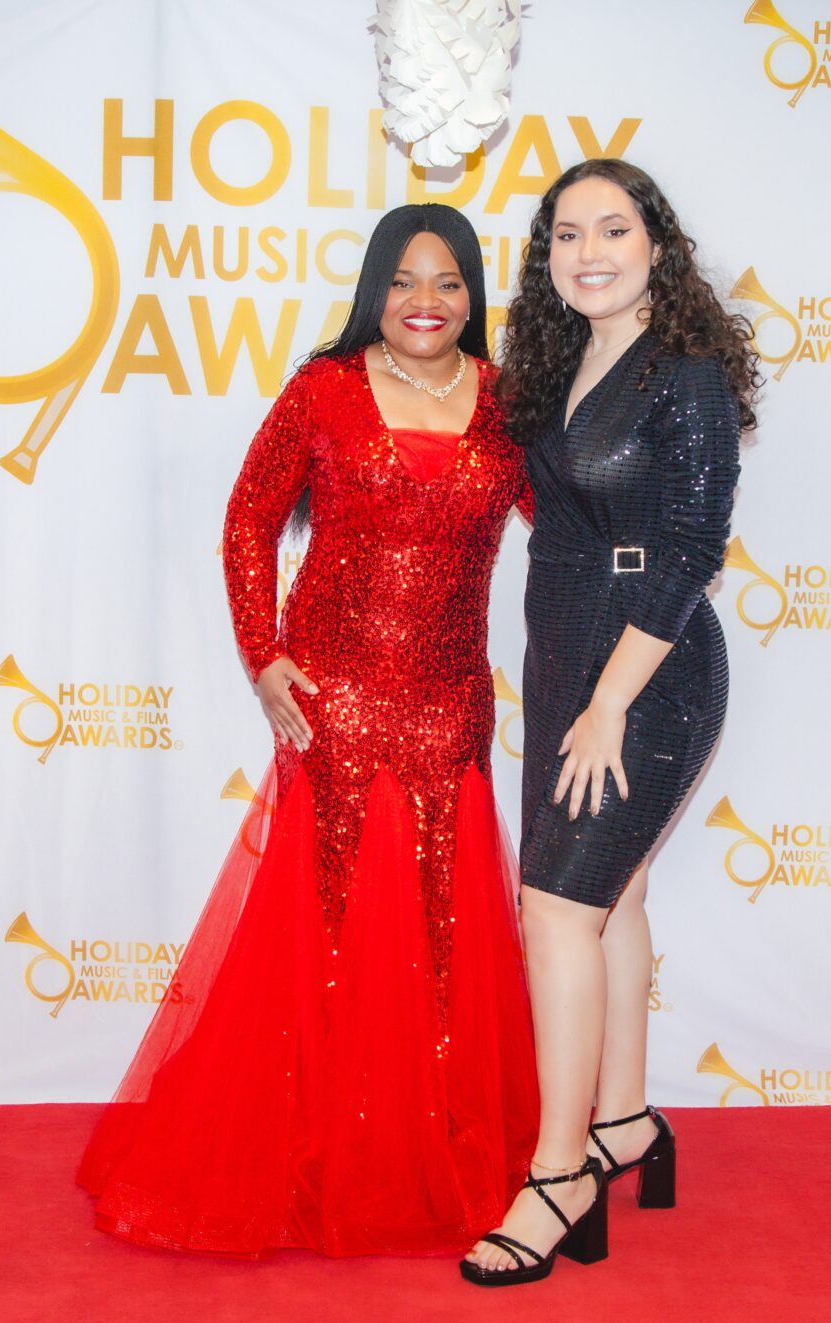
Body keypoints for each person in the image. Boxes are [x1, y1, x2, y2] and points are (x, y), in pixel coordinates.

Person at [77, 204, 538, 1257]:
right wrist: (262, 652)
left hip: (448, 704)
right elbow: (249, 515)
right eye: (406, 280)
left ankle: (430, 1153)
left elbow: (562, 535)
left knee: (438, 938)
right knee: (324, 935)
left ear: (475, 295)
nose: (427, 301)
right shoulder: (323, 391)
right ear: (377, 287)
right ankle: (311, 1148)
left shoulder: (511, 408)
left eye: (450, 282)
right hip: (331, 700)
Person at [461, 160, 762, 1285]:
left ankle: (558, 1172)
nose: (590, 252)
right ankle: (626, 1122)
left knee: (552, 910)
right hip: (564, 652)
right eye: (567, 235)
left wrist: (606, 705)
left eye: (615, 230)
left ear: (656, 246)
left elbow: (690, 551)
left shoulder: (682, 375)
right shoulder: (562, 359)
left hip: (650, 666)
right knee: (611, 896)